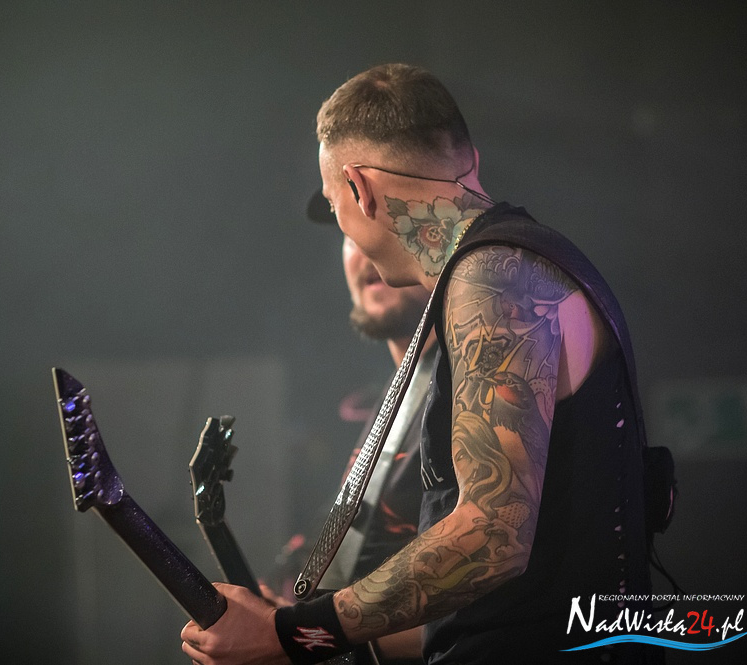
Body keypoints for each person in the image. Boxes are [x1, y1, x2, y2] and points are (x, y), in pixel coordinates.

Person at [182, 63, 660, 664]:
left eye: (333, 204)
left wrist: (294, 634)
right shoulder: (505, 267)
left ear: (358, 188)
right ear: (470, 161)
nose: (342, 223)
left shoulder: (493, 278)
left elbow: (493, 533)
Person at [262, 214, 437, 663]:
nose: (365, 250)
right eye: (349, 233)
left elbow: (493, 605)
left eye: (386, 226)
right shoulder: (386, 406)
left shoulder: (468, 393)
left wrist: (302, 641)